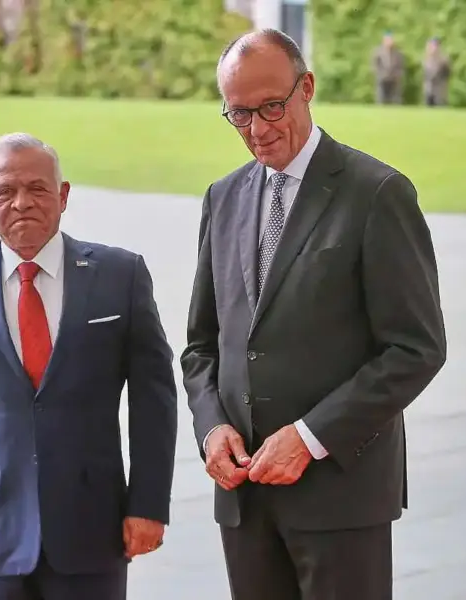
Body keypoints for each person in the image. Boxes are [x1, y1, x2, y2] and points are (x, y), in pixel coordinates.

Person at [181, 29, 447, 600]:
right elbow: (201, 344)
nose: (257, 129)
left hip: (340, 498)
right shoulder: (222, 197)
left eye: (271, 107)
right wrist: (211, 428)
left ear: (307, 88)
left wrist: (309, 437)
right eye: (239, 114)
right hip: (244, 500)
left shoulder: (378, 193)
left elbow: (416, 349)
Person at [0, 132, 178, 600]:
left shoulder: (121, 276)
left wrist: (149, 503)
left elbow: (154, 402)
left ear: (63, 195)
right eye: (5, 191)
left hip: (94, 527)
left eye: (37, 189)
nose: (22, 203)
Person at [373, 32, 406, 104]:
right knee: (381, 99)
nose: (389, 42)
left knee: (395, 100)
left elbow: (401, 67)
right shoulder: (378, 52)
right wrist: (380, 74)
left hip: (394, 80)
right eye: (387, 40)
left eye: (390, 40)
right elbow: (375, 65)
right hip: (382, 79)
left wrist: (397, 75)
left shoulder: (398, 53)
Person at [422, 37, 451, 106]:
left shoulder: (443, 60)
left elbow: (447, 73)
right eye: (432, 46)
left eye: (435, 46)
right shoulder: (426, 59)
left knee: (439, 105)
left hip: (439, 89)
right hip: (429, 88)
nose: (433, 48)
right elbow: (425, 75)